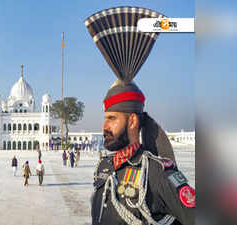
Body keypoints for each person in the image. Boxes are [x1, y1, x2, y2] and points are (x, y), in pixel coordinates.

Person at [84, 6, 195, 225]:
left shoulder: (157, 173)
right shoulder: (104, 167)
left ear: (133, 120)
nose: (104, 126)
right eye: (106, 117)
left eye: (112, 118)